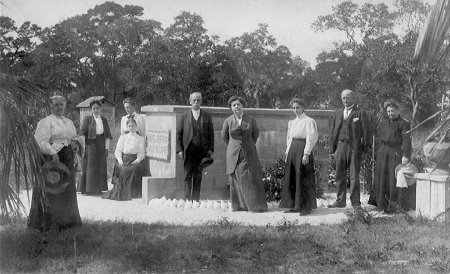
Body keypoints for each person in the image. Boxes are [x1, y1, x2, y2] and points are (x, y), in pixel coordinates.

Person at [28, 92, 82, 231]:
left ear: (65, 106)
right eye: (56, 105)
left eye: (61, 104)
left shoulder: (68, 122)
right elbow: (41, 142)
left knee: (67, 189)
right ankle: (48, 224)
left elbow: (73, 137)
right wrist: (53, 153)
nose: (59, 107)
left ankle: (67, 223)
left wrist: (75, 144)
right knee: (52, 189)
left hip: (67, 158)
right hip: (51, 158)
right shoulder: (46, 122)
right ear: (51, 107)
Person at [221, 96, 267, 212]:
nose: (236, 107)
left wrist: (248, 145)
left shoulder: (251, 119)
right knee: (236, 177)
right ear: (231, 108)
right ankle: (239, 206)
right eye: (234, 105)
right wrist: (234, 146)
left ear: (242, 106)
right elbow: (224, 136)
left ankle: (254, 206)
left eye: (238, 104)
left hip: (249, 152)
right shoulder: (228, 121)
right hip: (234, 153)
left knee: (250, 177)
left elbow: (255, 134)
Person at [368, 99, 414, 212]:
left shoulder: (404, 123)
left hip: (396, 153)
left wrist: (406, 156)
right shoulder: (383, 122)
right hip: (383, 153)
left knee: (393, 180)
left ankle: (394, 206)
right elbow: (379, 137)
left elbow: (406, 141)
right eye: (388, 111)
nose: (390, 114)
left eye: (392, 111)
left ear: (398, 110)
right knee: (381, 177)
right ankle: (381, 204)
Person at [328, 89, 370, 208]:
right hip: (341, 146)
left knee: (354, 176)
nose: (345, 100)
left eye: (348, 98)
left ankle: (356, 203)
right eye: (343, 98)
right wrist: (332, 149)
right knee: (339, 175)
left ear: (353, 98)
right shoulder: (337, 113)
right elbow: (332, 131)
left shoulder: (360, 113)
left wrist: (365, 149)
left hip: (354, 147)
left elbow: (366, 132)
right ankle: (340, 201)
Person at [280, 98, 318, 216]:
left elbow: (311, 138)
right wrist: (287, 153)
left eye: (298, 107)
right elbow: (289, 139)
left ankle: (306, 207)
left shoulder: (309, 121)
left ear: (303, 108)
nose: (296, 110)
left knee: (303, 177)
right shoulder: (291, 122)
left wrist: (306, 153)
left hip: (303, 148)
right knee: (293, 177)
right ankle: (295, 205)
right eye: (294, 108)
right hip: (293, 150)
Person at [176, 92, 214, 201]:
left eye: (198, 100)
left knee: (198, 176)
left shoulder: (207, 116)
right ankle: (187, 199)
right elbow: (179, 134)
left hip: (201, 152)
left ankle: (196, 200)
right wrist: (179, 150)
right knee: (187, 175)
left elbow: (211, 134)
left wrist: (211, 149)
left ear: (201, 101)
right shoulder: (184, 116)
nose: (196, 102)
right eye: (194, 100)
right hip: (189, 151)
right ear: (190, 102)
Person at [103, 118, 145, 201]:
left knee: (134, 169)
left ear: (136, 126)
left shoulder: (140, 139)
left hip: (134, 159)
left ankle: (132, 192)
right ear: (127, 127)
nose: (131, 127)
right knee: (122, 169)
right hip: (124, 159)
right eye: (129, 126)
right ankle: (122, 191)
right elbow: (118, 151)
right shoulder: (123, 137)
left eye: (133, 125)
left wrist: (137, 160)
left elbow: (141, 153)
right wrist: (120, 161)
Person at [78, 100, 112, 195]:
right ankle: (88, 189)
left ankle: (99, 189)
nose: (96, 110)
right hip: (90, 145)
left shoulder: (104, 120)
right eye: (94, 108)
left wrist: (107, 148)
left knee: (100, 165)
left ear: (100, 109)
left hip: (101, 144)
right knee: (90, 166)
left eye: (97, 108)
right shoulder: (87, 119)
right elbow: (82, 134)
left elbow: (108, 136)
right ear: (91, 109)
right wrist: (83, 147)